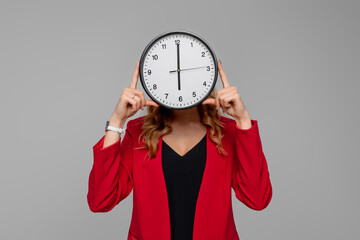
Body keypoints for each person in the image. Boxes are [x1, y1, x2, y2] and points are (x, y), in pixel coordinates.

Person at [87, 60, 273, 240]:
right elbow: (101, 200)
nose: (180, 79)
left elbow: (257, 199)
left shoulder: (228, 132)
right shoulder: (137, 132)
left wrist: (243, 120)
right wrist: (116, 122)